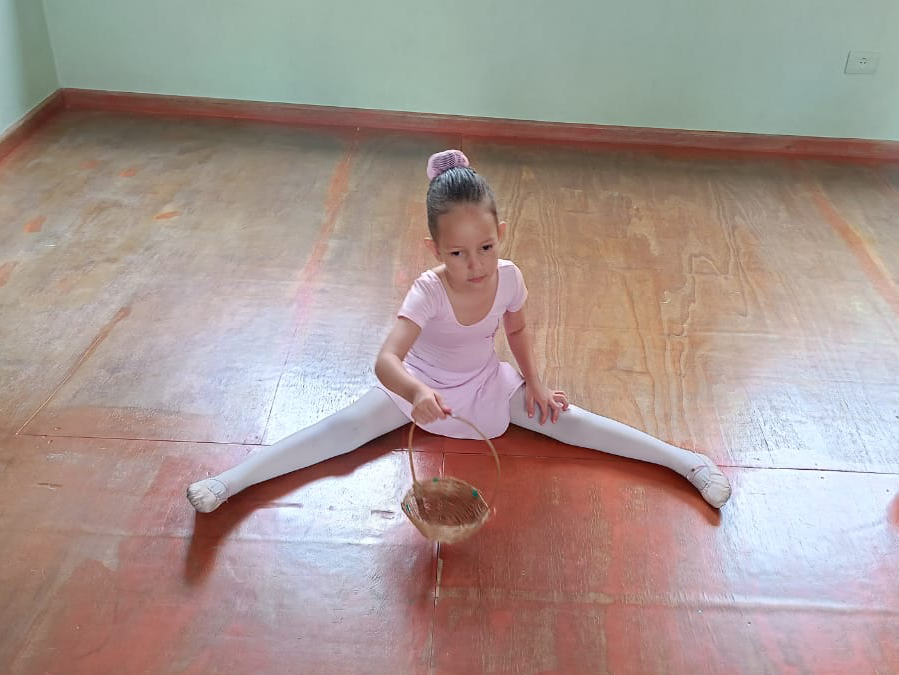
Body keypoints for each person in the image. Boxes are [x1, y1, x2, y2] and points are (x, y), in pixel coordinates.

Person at [187, 150, 730, 514]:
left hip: (484, 382)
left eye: (486, 248)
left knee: (566, 421)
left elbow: (518, 328)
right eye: (458, 253)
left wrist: (536, 383)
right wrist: (417, 392)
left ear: (501, 233)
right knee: (341, 431)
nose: (476, 265)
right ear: (434, 250)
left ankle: (687, 463)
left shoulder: (509, 277)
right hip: (418, 386)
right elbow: (386, 361)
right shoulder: (428, 291)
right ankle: (230, 481)